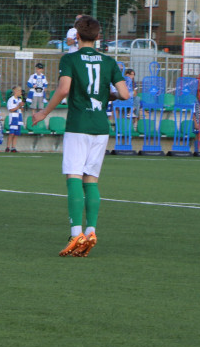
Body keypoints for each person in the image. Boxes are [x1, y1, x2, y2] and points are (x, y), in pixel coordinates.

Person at [31, 15, 130, 257]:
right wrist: (109, 96)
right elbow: (125, 94)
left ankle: (77, 234)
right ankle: (92, 230)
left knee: (73, 176)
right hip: (100, 128)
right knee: (91, 179)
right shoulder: (109, 62)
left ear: (76, 35)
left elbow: (64, 89)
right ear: (98, 36)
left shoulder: (70, 59)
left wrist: (44, 112)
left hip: (78, 125)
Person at [6, 86, 25, 152]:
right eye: (20, 91)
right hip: (13, 118)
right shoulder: (11, 99)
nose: (21, 93)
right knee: (11, 133)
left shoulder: (19, 100)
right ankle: (8, 147)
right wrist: (18, 106)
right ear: (16, 91)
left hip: (19, 118)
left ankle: (13, 147)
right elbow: (11, 109)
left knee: (16, 134)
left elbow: (22, 109)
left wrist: (22, 105)